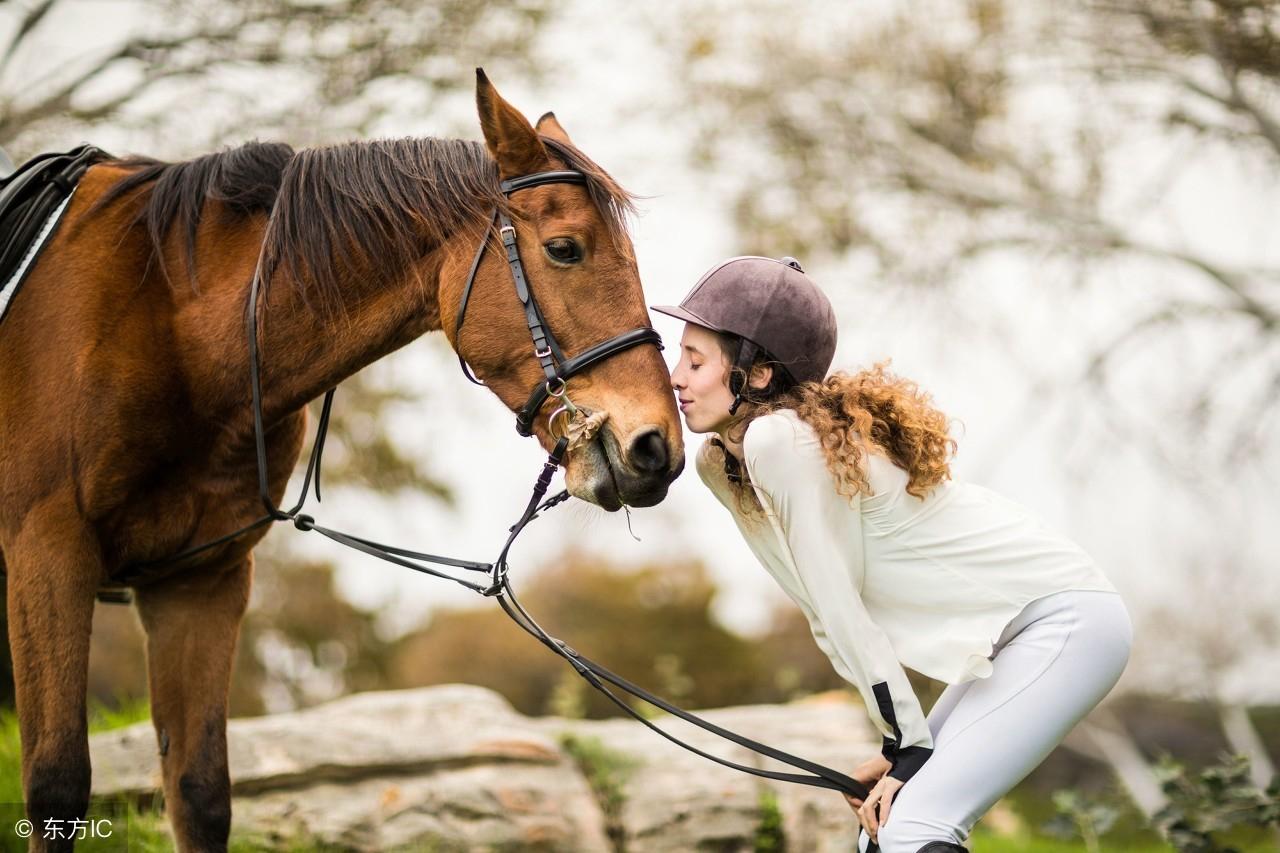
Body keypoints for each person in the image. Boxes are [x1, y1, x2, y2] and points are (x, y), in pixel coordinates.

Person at [652, 257, 1132, 853]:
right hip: (1019, 632)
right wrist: (899, 741)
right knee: (880, 835)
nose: (675, 378)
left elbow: (838, 601)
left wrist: (906, 743)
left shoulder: (779, 441)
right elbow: (821, 610)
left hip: (1064, 620)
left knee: (913, 829)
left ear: (759, 374)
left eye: (695, 361)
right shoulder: (721, 463)